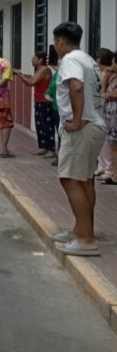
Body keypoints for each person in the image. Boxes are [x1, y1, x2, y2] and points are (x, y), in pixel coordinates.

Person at [50, 22, 107, 257]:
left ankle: (85, 239)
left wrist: (76, 119)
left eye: (55, 42)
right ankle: (80, 230)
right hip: (95, 125)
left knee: (70, 179)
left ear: (60, 41)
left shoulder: (71, 60)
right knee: (84, 180)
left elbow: (76, 87)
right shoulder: (88, 59)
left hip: (81, 128)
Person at [13, 51, 57, 159]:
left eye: (34, 58)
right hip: (39, 101)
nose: (32, 60)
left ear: (40, 60)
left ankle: (51, 149)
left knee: (47, 126)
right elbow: (31, 81)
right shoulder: (39, 70)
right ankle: (43, 147)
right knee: (40, 125)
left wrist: (19, 74)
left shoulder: (44, 69)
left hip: (45, 102)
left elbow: (30, 83)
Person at [95, 49, 116, 184]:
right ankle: (103, 167)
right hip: (106, 111)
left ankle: (110, 170)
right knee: (104, 142)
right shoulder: (110, 75)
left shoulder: (108, 75)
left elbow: (108, 93)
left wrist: (104, 94)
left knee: (111, 145)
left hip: (111, 113)